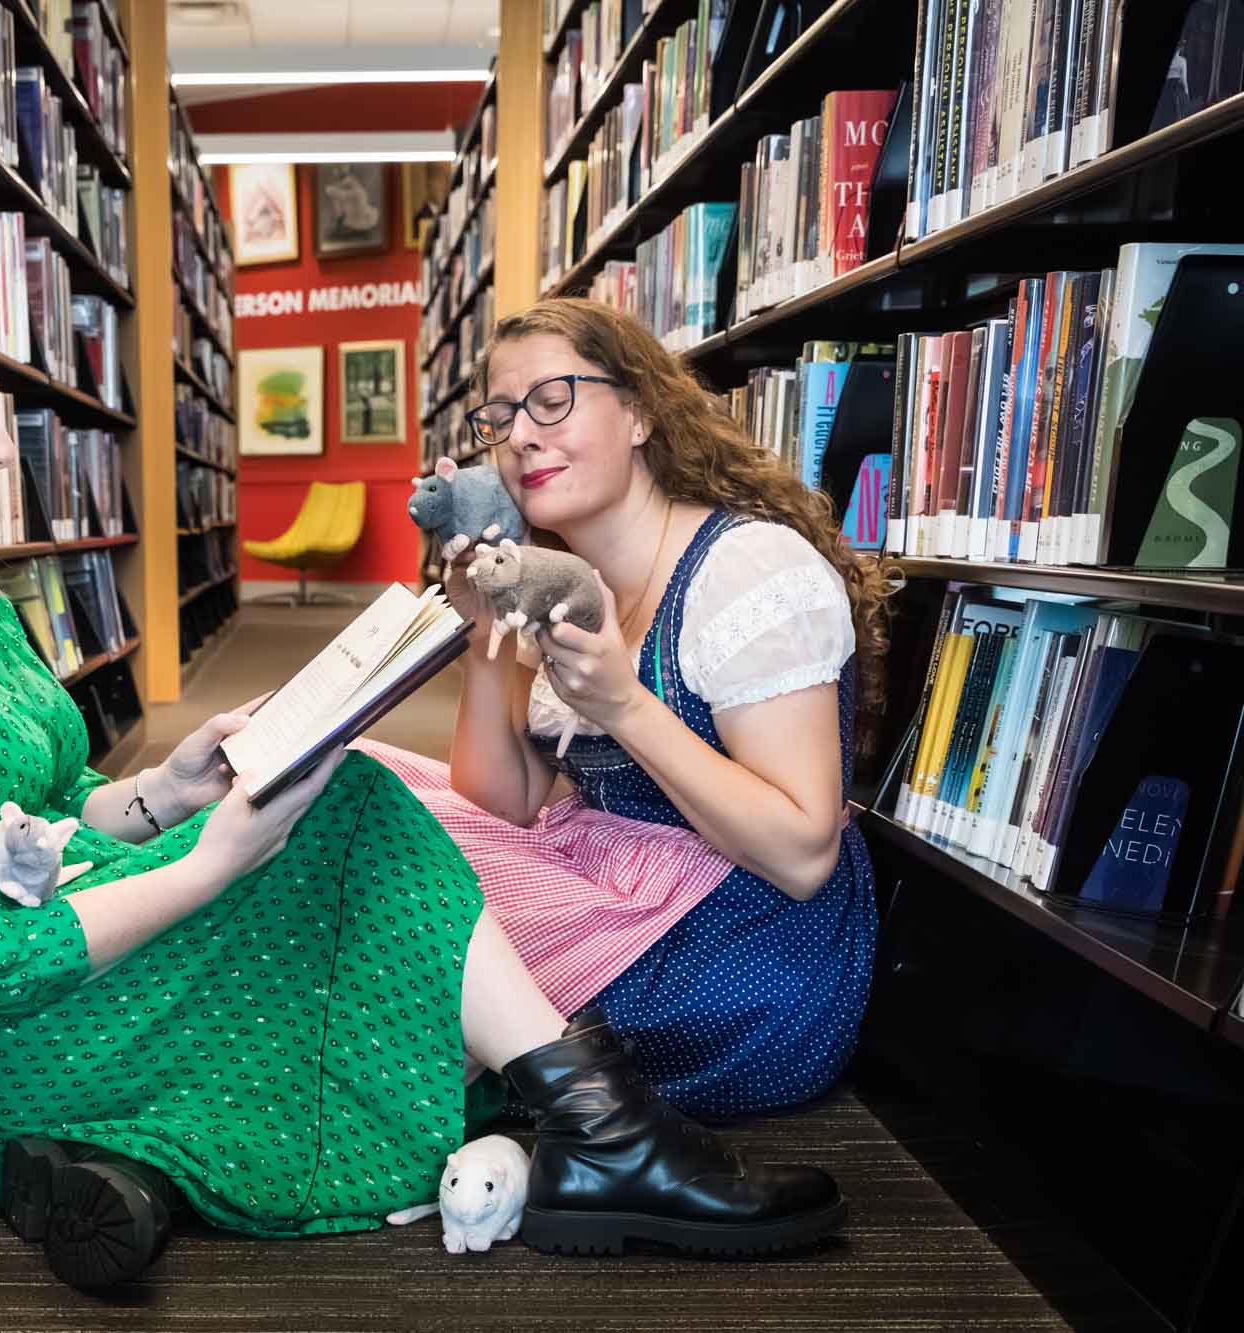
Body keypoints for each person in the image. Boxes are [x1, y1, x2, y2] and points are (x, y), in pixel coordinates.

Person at [0, 273, 849, 1289]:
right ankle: (599, 1136)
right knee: (335, 866)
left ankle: (152, 1168)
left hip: (36, 964)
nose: (1, 445)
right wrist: (209, 860)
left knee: (332, 870)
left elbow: (57, 810)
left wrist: (166, 786)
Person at [363, 297, 890, 1119]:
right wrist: (483, 635)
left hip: (745, 949)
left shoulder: (746, 570)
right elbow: (500, 804)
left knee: (393, 912)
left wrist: (623, 704)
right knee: (358, 791)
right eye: (500, 418)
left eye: (552, 400)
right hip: (615, 887)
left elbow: (801, 854)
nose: (521, 436)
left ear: (641, 411)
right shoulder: (562, 580)